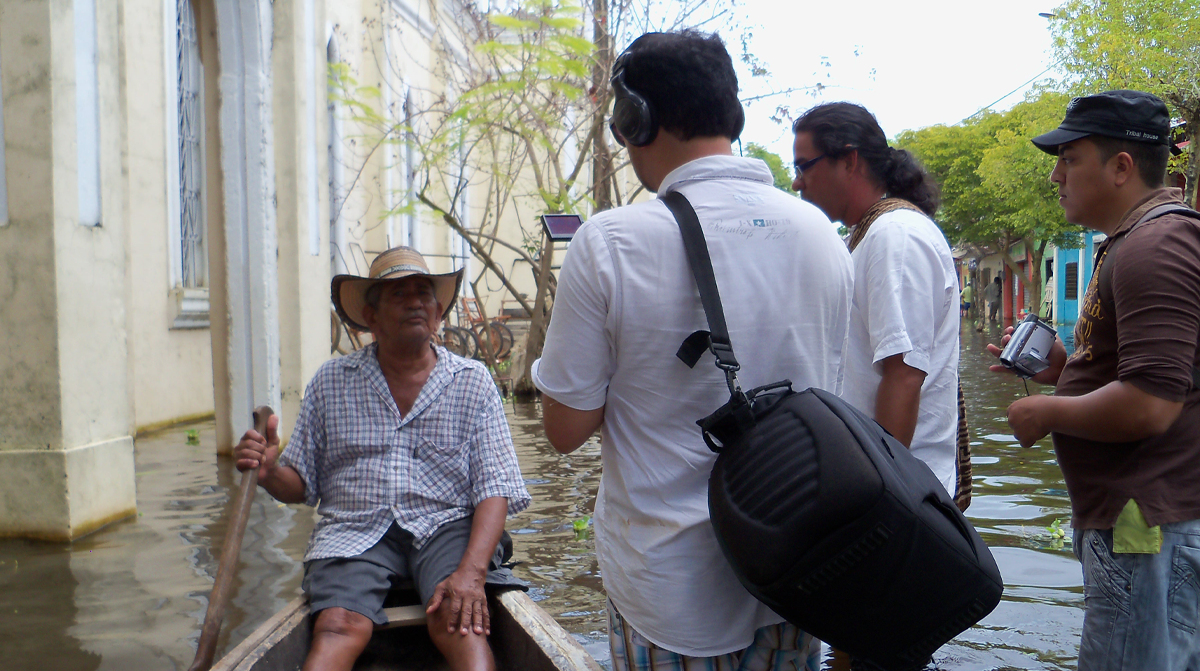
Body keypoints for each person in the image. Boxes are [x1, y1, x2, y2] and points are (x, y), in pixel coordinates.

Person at [532, 31, 852, 671]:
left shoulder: (612, 241)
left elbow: (564, 430)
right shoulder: (819, 231)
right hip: (793, 573)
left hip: (670, 589)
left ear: (635, 119)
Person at [235, 246, 531, 671]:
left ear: (438, 312)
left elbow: (495, 488)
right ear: (370, 317)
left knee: (460, 620)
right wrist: (268, 472)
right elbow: (301, 484)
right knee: (337, 625)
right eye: (399, 294)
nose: (415, 303)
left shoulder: (472, 381)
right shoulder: (331, 381)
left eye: (424, 294)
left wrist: (472, 574)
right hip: (355, 528)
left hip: (445, 525)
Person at [988, 90, 1200, 670]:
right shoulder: (1134, 242)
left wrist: (1046, 410)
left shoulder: (1155, 246)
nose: (1055, 175)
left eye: (1069, 158)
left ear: (1121, 167)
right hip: (1137, 524)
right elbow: (1150, 374)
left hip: (1147, 529)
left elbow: (1152, 403)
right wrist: (1066, 371)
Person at [792, 102, 961, 500]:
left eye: (804, 166)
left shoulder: (894, 235)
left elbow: (903, 374)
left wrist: (885, 498)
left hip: (898, 492)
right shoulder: (868, 235)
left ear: (849, 161)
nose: (797, 183)